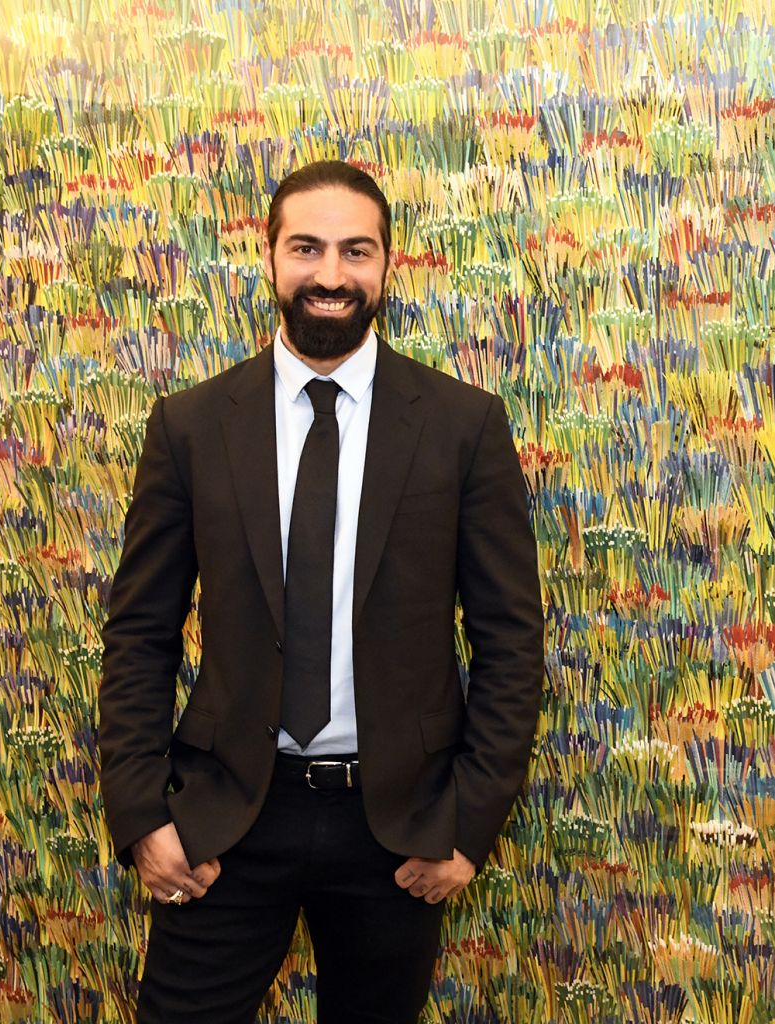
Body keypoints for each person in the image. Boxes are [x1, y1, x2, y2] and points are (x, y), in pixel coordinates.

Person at [98, 159, 544, 1024]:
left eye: (355, 251)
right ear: (268, 256)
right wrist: (143, 814)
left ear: (387, 265)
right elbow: (139, 633)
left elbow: (510, 641)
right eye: (306, 248)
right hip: (228, 815)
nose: (330, 274)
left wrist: (467, 823)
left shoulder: (463, 426)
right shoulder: (190, 426)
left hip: (397, 828)